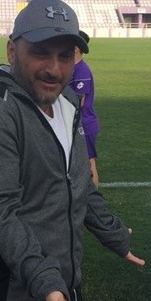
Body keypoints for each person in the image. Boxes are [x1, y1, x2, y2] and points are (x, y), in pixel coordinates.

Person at [0, 0, 145, 301]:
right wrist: (51, 291)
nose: (54, 69)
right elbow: (0, 214)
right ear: (12, 50)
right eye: (41, 53)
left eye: (65, 55)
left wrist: (113, 234)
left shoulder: (67, 102)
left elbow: (79, 184)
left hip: (62, 293)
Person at [69, 30, 100, 187]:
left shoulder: (81, 70)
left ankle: (95, 195)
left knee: (89, 161)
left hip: (84, 124)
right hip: (76, 123)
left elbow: (79, 101)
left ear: (76, 48)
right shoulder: (72, 68)